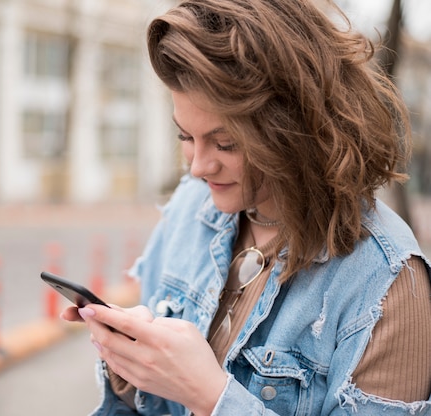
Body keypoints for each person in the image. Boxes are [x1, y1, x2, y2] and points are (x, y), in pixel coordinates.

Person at [62, 0, 431, 414]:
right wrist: (134, 370)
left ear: (298, 130)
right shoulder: (192, 204)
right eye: (185, 137)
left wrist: (211, 396)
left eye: (226, 144)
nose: (199, 166)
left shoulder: (388, 282)